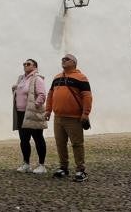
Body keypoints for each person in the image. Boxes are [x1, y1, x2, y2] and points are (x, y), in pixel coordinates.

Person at [45, 53, 92, 182]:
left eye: (67, 59)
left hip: (74, 118)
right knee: (60, 144)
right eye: (62, 59)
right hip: (58, 117)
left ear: (74, 63)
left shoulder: (81, 78)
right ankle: (63, 167)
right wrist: (48, 110)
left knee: (77, 144)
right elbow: (50, 95)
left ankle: (81, 170)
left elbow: (87, 97)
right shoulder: (57, 77)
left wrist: (85, 114)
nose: (63, 61)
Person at [11, 58, 48, 173]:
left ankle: (42, 165)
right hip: (21, 113)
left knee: (38, 138)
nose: (25, 65)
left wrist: (35, 105)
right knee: (24, 139)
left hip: (32, 113)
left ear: (35, 66)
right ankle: (26, 163)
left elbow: (42, 95)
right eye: (24, 64)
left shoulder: (37, 79)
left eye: (28, 64)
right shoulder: (21, 78)